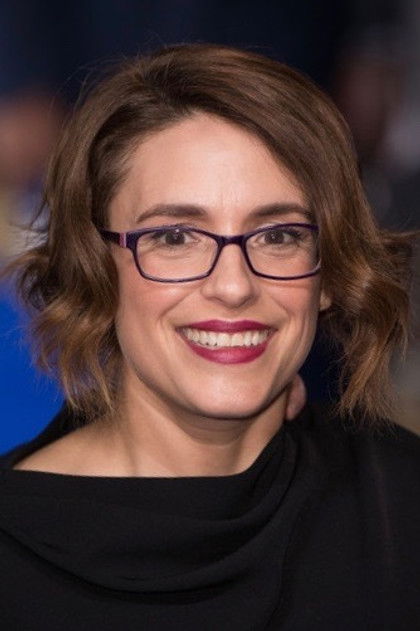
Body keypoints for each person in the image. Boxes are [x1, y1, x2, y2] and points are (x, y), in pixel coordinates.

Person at [0, 44, 419, 630]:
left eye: (278, 236)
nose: (233, 286)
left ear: (329, 275)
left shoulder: (401, 500)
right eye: (175, 237)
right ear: (93, 268)